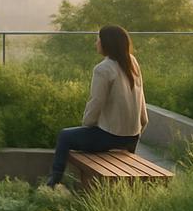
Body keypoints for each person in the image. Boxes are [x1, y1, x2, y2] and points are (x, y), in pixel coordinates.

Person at [46, 24, 147, 188]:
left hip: (110, 137)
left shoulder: (103, 69)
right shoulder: (132, 62)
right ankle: (55, 182)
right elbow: (141, 95)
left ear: (107, 43)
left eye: (98, 39)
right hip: (132, 138)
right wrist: (142, 123)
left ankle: (54, 182)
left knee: (65, 136)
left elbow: (96, 102)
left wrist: (87, 125)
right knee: (76, 136)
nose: (96, 43)